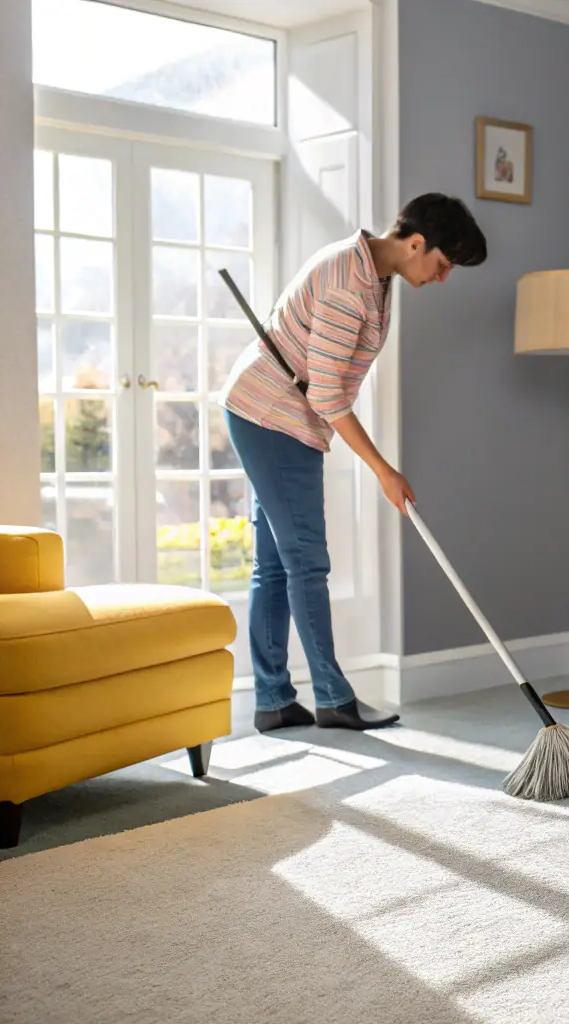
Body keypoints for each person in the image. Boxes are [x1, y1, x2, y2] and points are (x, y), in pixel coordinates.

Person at [219, 193, 487, 733]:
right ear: (416, 243)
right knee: (305, 562)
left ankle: (273, 699)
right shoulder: (349, 282)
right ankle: (334, 698)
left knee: (276, 562)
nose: (441, 278)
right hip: (272, 416)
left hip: (273, 414)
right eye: (442, 264)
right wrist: (384, 470)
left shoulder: (375, 274)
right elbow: (326, 396)